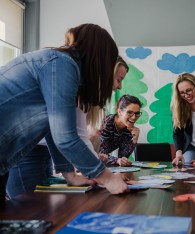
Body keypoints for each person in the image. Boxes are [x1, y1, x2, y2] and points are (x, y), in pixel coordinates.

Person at [0, 23, 129, 196]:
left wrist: (70, 175)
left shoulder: (61, 64)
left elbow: (53, 130)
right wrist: (107, 178)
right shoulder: (62, 64)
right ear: (99, 57)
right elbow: (65, 138)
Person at [99, 95, 142, 166]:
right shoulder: (106, 124)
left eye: (137, 113)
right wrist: (117, 160)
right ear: (119, 112)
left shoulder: (129, 129)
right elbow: (101, 155)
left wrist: (134, 140)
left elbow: (123, 157)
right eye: (129, 112)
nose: (134, 117)